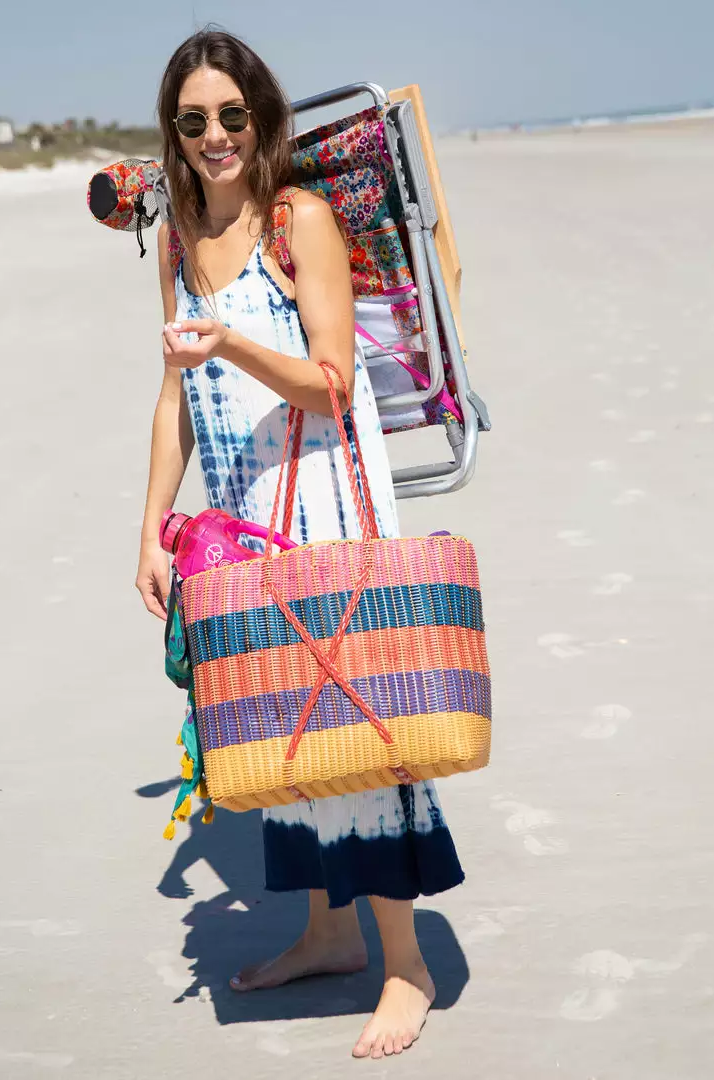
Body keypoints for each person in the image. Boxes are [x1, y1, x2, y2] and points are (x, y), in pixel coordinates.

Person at [135, 28, 465, 1059]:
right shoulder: (180, 236)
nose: (215, 136)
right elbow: (172, 395)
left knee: (360, 720)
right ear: (175, 134)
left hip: (322, 503)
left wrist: (232, 339)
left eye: (232, 115)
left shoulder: (301, 219)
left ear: (261, 118)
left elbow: (331, 378)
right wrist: (150, 526)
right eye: (193, 122)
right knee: (278, 723)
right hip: (239, 520)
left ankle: (405, 964)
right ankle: (327, 933)